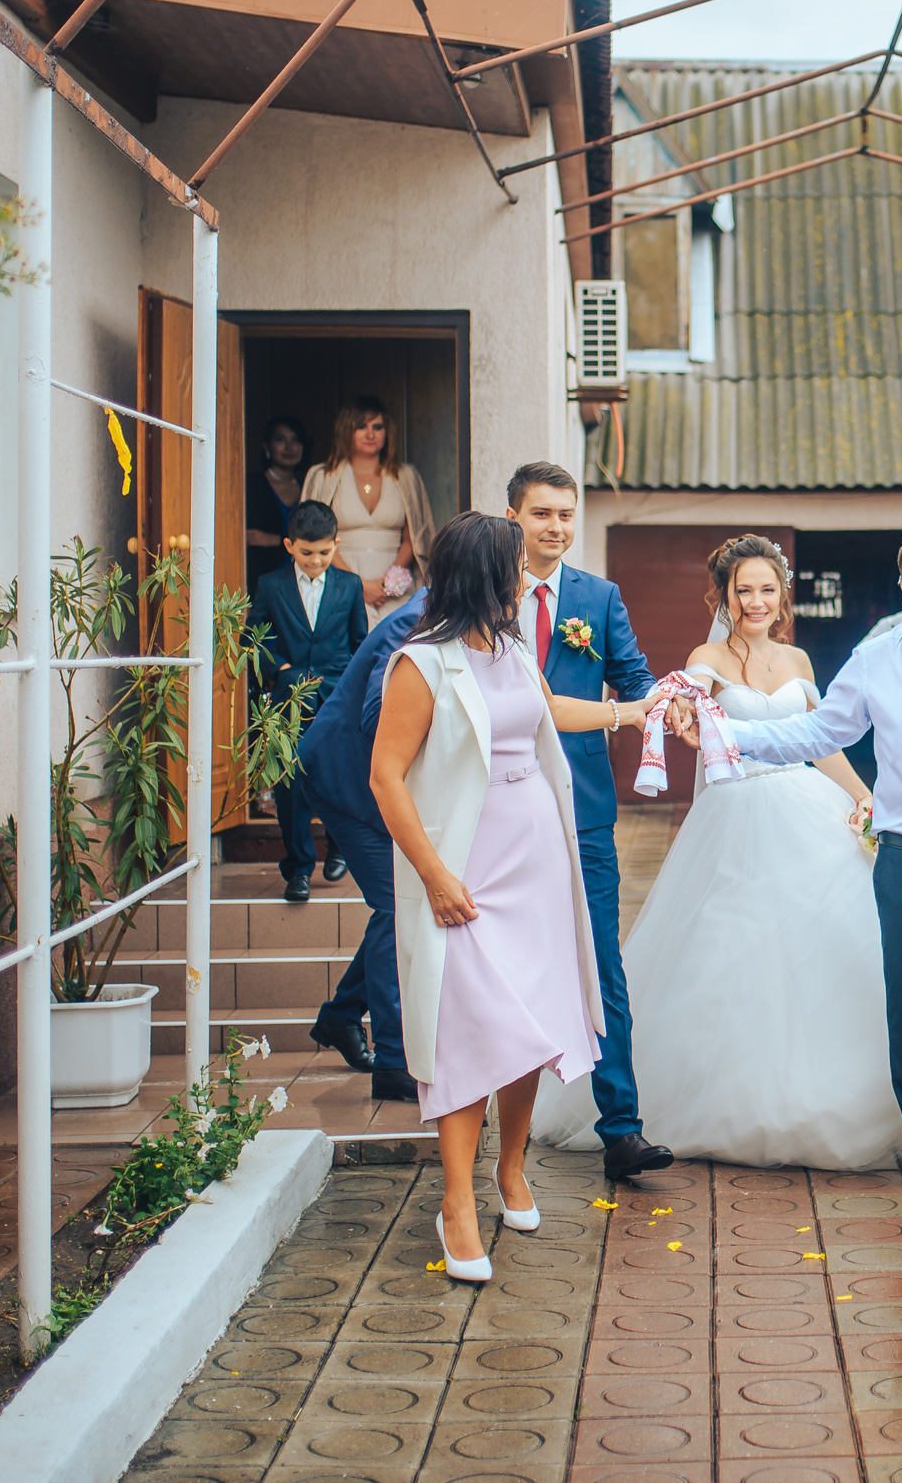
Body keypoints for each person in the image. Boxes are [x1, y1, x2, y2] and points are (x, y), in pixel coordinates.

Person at [540, 540, 902, 1173]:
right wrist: (709, 724)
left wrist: (866, 797)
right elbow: (799, 726)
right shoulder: (863, 658)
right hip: (832, 837)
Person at [368, 512, 657, 1279]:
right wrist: (434, 874)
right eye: (516, 564)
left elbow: (548, 711)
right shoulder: (420, 664)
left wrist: (632, 710)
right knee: (469, 1028)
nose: (527, 575)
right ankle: (456, 1200)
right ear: (486, 573)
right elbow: (386, 776)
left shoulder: (513, 646)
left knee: (529, 1020)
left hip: (536, 863)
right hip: (465, 867)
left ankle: (512, 1166)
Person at [501, 460, 671, 1181]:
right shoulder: (484, 591)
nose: (557, 527)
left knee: (602, 963)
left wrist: (666, 704)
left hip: (585, 810)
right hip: (501, 807)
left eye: (566, 515)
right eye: (542, 513)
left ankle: (622, 1129)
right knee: (504, 965)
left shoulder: (598, 597)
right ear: (514, 515)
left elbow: (633, 678)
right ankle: (499, 1134)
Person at [296, 566, 427, 1101]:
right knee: (398, 908)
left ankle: (342, 1014)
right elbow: (378, 714)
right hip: (344, 778)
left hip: (377, 785)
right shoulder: (414, 623)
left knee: (403, 907)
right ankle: (394, 1060)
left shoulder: (465, 621)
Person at [248, 498, 368, 902]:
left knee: (336, 777)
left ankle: (338, 847)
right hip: (289, 698)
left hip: (336, 698)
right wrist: (280, 668)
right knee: (292, 787)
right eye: (307, 553)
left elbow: (359, 644)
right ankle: (298, 869)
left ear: (336, 544)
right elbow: (254, 639)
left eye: (324, 552)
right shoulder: (271, 585)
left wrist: (354, 691)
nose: (316, 561)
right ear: (289, 546)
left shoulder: (350, 586)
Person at [304, 394, 436, 624]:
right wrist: (359, 584)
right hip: (340, 580)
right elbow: (312, 537)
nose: (370, 434)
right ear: (347, 430)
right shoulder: (324, 476)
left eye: (377, 427)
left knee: (399, 638)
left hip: (395, 588)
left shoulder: (406, 476)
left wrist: (388, 583)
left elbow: (415, 538)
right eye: (361, 427)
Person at [244, 414, 309, 589]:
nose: (289, 447)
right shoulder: (251, 485)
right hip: (261, 579)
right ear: (267, 446)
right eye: (280, 439)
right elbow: (250, 537)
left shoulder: (309, 486)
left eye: (295, 440)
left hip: (304, 578)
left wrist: (275, 540)